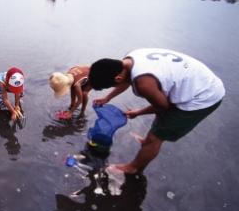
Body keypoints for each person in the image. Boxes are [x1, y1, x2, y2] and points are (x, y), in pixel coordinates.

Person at [89, 48, 225, 174]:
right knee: (161, 120)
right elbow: (125, 80)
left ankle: (133, 168)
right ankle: (148, 141)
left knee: (157, 137)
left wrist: (138, 112)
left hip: (204, 95)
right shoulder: (130, 59)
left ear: (117, 78)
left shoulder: (143, 83)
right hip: (198, 77)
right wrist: (107, 98)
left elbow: (164, 107)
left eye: (113, 85)